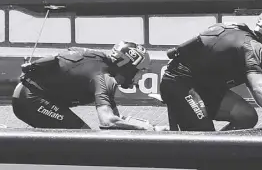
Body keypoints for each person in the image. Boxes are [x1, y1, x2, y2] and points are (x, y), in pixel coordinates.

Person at [159, 10, 262, 131]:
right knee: (202, 136)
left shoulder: (246, 39)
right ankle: (209, 152)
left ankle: (218, 149)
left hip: (201, 86)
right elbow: (260, 88)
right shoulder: (252, 47)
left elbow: (256, 92)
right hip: (180, 84)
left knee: (246, 116)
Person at [12, 41, 164, 131]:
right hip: (31, 98)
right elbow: (108, 121)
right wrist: (146, 129)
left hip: (30, 94)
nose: (141, 77)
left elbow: (116, 119)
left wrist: (152, 127)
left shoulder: (102, 64)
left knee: (78, 135)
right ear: (129, 68)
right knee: (82, 137)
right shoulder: (104, 78)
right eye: (141, 71)